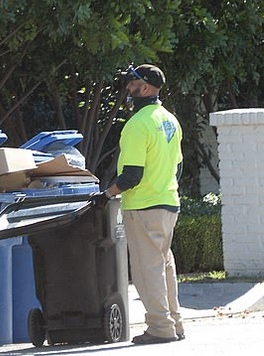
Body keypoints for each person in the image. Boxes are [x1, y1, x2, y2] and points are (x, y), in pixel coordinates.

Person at [93, 64, 185, 345]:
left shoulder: (137, 124)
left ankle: (160, 327)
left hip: (144, 206)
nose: (128, 89)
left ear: (144, 87)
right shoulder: (170, 120)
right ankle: (174, 323)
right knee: (164, 265)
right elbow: (178, 167)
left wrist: (106, 194)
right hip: (168, 202)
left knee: (148, 269)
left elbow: (132, 175)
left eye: (132, 83)